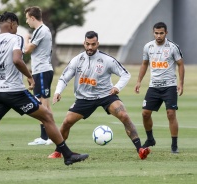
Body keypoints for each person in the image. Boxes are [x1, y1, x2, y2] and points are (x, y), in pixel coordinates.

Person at [0, 12, 89, 170]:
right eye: (16, 25)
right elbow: (17, 60)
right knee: (47, 116)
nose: (17, 28)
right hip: (15, 92)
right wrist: (29, 76)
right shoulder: (16, 38)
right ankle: (67, 155)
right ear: (11, 24)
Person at [48, 31, 150, 160]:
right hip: (84, 98)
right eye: (87, 44)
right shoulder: (77, 60)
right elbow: (64, 78)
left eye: (93, 44)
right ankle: (58, 151)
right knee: (67, 122)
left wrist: (117, 87)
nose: (90, 47)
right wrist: (58, 92)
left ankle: (140, 149)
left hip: (105, 95)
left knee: (124, 115)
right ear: (84, 43)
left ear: (98, 44)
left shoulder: (107, 60)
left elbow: (125, 74)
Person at [134, 22, 185, 153]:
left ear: (166, 33)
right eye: (156, 33)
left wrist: (181, 83)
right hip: (154, 86)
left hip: (169, 86)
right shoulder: (148, 47)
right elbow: (144, 64)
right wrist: (139, 81)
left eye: (161, 33)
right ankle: (150, 139)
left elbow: (180, 64)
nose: (159, 36)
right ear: (153, 33)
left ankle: (174, 145)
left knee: (171, 113)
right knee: (145, 113)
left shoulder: (173, 47)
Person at [24, 6, 54, 146]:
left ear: (32, 18)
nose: (26, 21)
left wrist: (26, 39)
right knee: (43, 103)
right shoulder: (40, 31)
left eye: (27, 18)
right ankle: (47, 136)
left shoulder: (41, 30)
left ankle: (46, 137)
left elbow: (27, 50)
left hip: (42, 70)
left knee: (43, 104)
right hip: (40, 71)